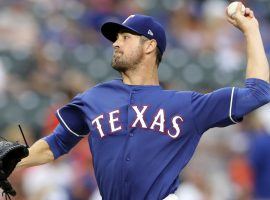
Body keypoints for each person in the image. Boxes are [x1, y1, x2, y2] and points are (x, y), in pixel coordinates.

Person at [17, 3, 270, 200]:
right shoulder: (94, 97)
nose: (116, 43)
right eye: (116, 38)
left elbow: (258, 92)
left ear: (150, 46)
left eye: (125, 37)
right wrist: (11, 162)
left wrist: (251, 30)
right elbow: (55, 144)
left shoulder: (187, 105)